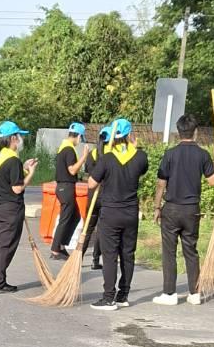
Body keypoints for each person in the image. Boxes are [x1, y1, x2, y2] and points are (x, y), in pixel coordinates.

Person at [152, 113, 214, 305]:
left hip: (172, 208)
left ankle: (169, 293)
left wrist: (157, 206)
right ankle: (195, 293)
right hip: (192, 209)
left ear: (178, 132)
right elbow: (213, 181)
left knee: (169, 251)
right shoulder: (202, 154)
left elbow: (160, 183)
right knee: (191, 250)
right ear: (195, 132)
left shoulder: (170, 154)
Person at [86, 119, 148, 310]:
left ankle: (108, 297)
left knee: (110, 254)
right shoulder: (140, 157)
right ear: (129, 135)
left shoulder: (106, 159)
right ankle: (124, 294)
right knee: (128, 254)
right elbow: (141, 171)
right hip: (130, 213)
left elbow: (91, 184)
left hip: (110, 212)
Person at [0, 120, 37, 294]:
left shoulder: (2, 156)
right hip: (10, 209)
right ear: (13, 138)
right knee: (5, 246)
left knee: (1, 245)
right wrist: (30, 174)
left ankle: (0, 280)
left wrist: (23, 168)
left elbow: (6, 180)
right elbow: (17, 188)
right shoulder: (12, 159)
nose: (21, 140)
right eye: (19, 136)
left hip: (0, 206)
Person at [50, 121, 88, 258]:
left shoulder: (63, 147)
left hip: (63, 187)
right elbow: (72, 170)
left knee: (75, 216)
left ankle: (61, 244)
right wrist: (84, 157)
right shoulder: (69, 149)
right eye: (81, 138)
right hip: (65, 188)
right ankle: (56, 248)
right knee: (66, 218)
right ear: (78, 136)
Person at [89, 125, 110, 271]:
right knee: (101, 229)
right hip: (106, 195)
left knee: (88, 227)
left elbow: (88, 172)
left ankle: (79, 257)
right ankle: (95, 259)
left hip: (92, 195)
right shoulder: (112, 156)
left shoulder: (93, 153)